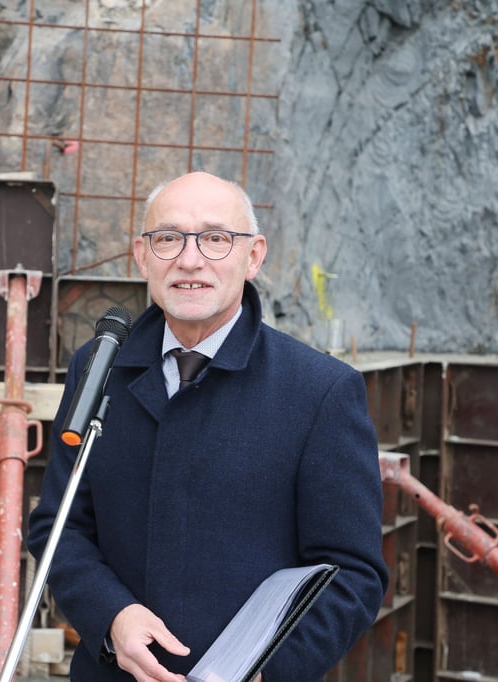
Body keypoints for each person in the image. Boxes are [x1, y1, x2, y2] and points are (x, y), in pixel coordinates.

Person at [27, 171, 388, 681]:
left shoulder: (319, 391)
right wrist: (111, 617)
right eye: (168, 238)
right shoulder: (99, 368)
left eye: (216, 238)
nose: (190, 260)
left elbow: (352, 574)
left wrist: (266, 671)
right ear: (143, 256)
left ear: (253, 256)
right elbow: (58, 526)